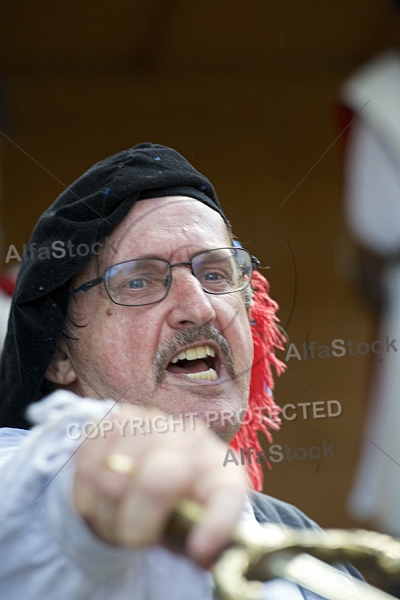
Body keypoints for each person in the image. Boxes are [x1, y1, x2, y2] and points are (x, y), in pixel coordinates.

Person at [0, 143, 359, 599]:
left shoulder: (305, 550)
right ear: (59, 357)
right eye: (138, 281)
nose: (199, 307)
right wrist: (85, 496)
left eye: (215, 274)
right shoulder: (21, 487)